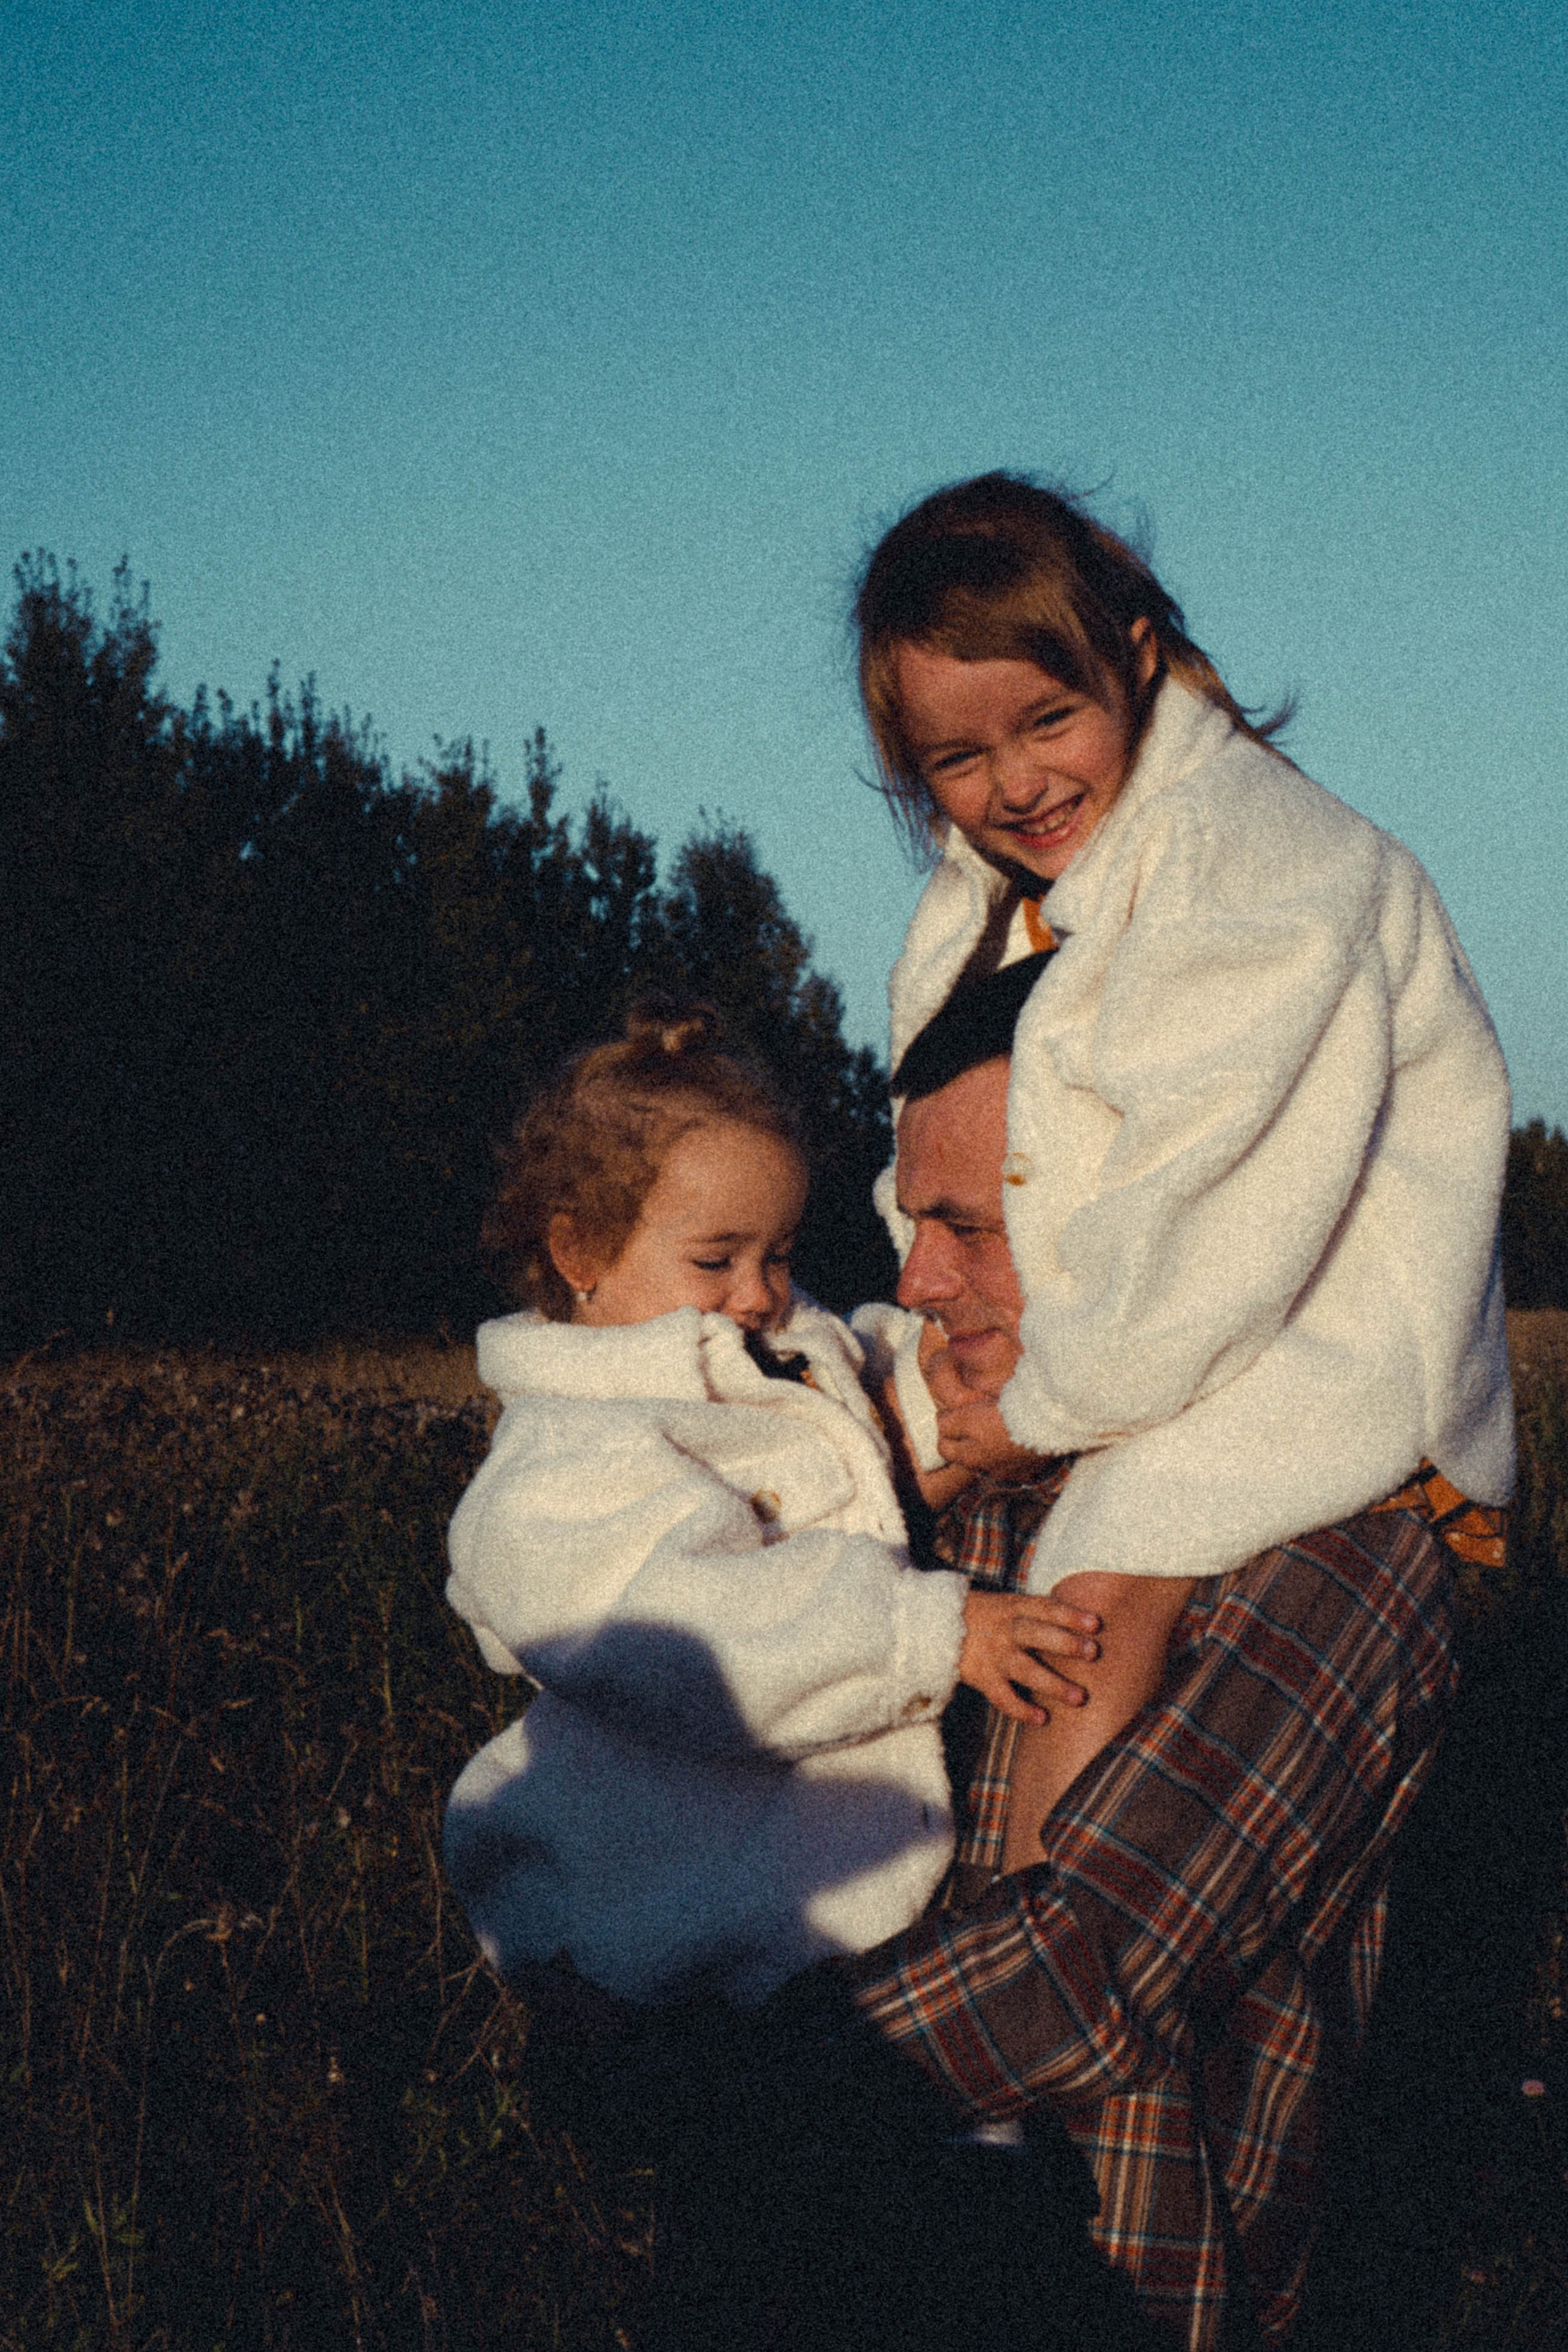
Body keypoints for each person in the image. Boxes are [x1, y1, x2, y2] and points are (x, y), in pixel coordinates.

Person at [818, 967, 1494, 2350]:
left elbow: (1085, 1964)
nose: (914, 1281)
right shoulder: (989, 1480)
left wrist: (713, 2077)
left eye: (967, 1229)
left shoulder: (1340, 1560)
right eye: (909, 1221)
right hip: (866, 2256)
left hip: (1117, 2290)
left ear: (1146, 1229)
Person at [854, 470, 1514, 1847]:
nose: (1015, 784)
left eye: (1048, 721)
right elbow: (936, 1137)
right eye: (959, 762)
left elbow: (1212, 1213)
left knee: (1100, 1581)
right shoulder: (982, 897)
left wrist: (1037, 1406)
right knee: (852, 1473)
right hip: (1145, 1324)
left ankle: (1052, 1935)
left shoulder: (1263, 868)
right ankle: (793, 1900)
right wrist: (953, 1368)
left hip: (1320, 1338)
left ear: (1135, 659)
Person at [442, 1000, 1100, 2008]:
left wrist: (972, 1395)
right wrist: (932, 1631)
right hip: (666, 1908)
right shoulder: (562, 1461)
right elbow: (696, 1634)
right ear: (579, 1254)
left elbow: (868, 1407)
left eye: (780, 1254)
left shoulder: (769, 1353)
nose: (758, 1294)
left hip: (805, 1887)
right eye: (717, 1260)